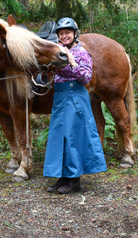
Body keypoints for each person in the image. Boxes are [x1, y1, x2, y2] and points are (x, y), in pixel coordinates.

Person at [43, 17, 108, 194]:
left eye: (67, 33)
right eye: (61, 33)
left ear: (75, 34)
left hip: (75, 97)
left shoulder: (81, 53)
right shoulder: (57, 51)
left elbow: (86, 77)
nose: (64, 36)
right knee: (59, 138)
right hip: (60, 97)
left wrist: (72, 62)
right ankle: (63, 177)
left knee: (73, 138)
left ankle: (75, 181)